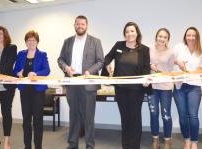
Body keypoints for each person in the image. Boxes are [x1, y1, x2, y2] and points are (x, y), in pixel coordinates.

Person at [57, 15, 104, 149]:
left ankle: (90, 145)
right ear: (74, 25)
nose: (80, 26)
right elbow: (60, 59)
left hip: (88, 82)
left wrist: (89, 71)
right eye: (77, 24)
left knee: (88, 117)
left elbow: (100, 61)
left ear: (86, 25)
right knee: (74, 115)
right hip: (72, 82)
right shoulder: (67, 41)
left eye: (82, 24)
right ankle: (73, 144)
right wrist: (66, 67)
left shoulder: (95, 41)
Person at [103, 22, 150, 149]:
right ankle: (126, 146)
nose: (129, 34)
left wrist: (146, 79)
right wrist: (108, 65)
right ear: (124, 34)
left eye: (132, 31)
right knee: (125, 118)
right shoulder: (119, 45)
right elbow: (107, 58)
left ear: (137, 33)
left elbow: (146, 69)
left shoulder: (144, 49)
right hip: (121, 89)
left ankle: (134, 146)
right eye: (127, 31)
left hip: (136, 90)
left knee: (135, 118)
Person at [13, 30, 50, 149]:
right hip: (25, 90)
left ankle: (38, 146)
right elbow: (15, 70)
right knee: (26, 120)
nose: (31, 42)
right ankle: (27, 146)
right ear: (26, 42)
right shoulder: (21, 54)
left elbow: (47, 70)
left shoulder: (42, 54)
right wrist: (18, 73)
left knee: (38, 120)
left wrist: (36, 73)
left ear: (37, 42)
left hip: (38, 91)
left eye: (33, 40)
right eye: (29, 40)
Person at [173, 27, 202, 149]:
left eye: (193, 35)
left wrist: (201, 70)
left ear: (197, 37)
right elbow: (170, 59)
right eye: (188, 35)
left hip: (195, 86)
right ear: (185, 36)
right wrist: (178, 63)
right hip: (179, 85)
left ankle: (194, 142)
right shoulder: (178, 48)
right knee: (182, 115)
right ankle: (186, 140)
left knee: (193, 114)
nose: (191, 38)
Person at [149, 28, 175, 149]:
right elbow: (145, 65)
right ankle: (155, 140)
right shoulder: (149, 49)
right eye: (160, 36)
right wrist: (150, 66)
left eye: (165, 37)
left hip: (166, 87)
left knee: (166, 115)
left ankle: (167, 141)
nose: (162, 39)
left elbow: (170, 70)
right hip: (152, 87)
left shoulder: (171, 52)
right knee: (153, 114)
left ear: (167, 39)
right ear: (156, 37)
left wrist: (161, 71)